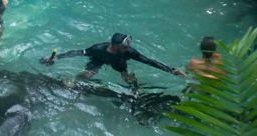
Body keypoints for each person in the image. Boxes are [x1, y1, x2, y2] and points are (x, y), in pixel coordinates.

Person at [41, 33, 185, 86]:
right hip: (99, 60)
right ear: (115, 46)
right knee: (85, 75)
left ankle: (134, 94)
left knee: (129, 79)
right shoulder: (98, 49)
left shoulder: (128, 52)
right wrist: (57, 57)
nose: (128, 48)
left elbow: (148, 61)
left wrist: (171, 70)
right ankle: (74, 84)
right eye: (124, 46)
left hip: (119, 64)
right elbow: (78, 52)